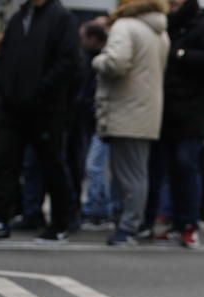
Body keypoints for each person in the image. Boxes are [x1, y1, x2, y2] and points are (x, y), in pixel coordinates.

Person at [0, 0, 81, 242]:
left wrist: (41, 90)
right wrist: (2, 92)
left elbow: (68, 61)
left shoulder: (61, 18)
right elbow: (5, 59)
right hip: (12, 108)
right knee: (3, 163)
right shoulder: (18, 18)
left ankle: (60, 223)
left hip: (46, 109)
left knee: (51, 164)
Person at [142, 0, 204, 249]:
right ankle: (161, 222)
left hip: (191, 114)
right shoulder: (166, 26)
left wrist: (182, 55)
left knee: (185, 167)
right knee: (159, 170)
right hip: (164, 112)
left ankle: (188, 225)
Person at [93, 0, 170, 246]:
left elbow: (116, 62)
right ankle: (130, 224)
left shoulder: (125, 26)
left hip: (125, 108)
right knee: (137, 173)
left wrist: (97, 61)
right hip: (146, 111)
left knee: (125, 174)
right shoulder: (160, 32)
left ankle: (127, 227)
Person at [78, 19, 113, 229]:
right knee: (97, 166)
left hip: (101, 117)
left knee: (94, 166)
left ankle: (97, 209)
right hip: (97, 117)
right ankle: (101, 208)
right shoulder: (94, 59)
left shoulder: (100, 61)